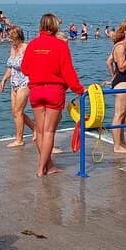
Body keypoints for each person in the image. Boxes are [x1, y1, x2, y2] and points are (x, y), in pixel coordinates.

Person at [22, 13, 85, 177]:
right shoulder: (60, 45)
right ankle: (41, 168)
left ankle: (48, 166)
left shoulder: (32, 45)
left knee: (40, 132)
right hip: (54, 91)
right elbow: (68, 72)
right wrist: (79, 90)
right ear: (55, 26)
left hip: (36, 91)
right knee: (49, 132)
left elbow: (25, 69)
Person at [0, 26, 36, 148]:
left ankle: (19, 139)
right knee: (15, 112)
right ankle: (35, 128)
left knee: (18, 111)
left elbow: (35, 64)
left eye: (10, 37)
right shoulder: (12, 49)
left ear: (17, 36)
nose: (8, 39)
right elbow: (11, 67)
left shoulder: (26, 48)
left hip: (25, 82)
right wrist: (4, 79)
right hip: (13, 82)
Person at [105, 20, 126, 154]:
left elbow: (109, 62)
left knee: (123, 115)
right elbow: (122, 67)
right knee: (119, 115)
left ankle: (122, 142)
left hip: (121, 81)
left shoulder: (121, 46)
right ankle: (117, 146)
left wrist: (113, 77)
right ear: (125, 31)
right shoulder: (121, 47)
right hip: (122, 82)